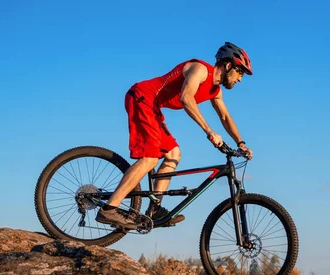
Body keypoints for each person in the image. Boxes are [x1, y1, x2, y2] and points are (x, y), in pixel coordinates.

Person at [96, 42, 253, 229]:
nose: (240, 79)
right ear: (228, 66)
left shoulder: (215, 91)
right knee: (150, 158)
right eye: (240, 72)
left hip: (153, 107)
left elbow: (225, 117)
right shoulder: (201, 70)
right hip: (142, 97)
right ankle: (109, 209)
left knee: (173, 154)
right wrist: (209, 131)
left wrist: (241, 143)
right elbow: (186, 97)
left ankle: (155, 209)